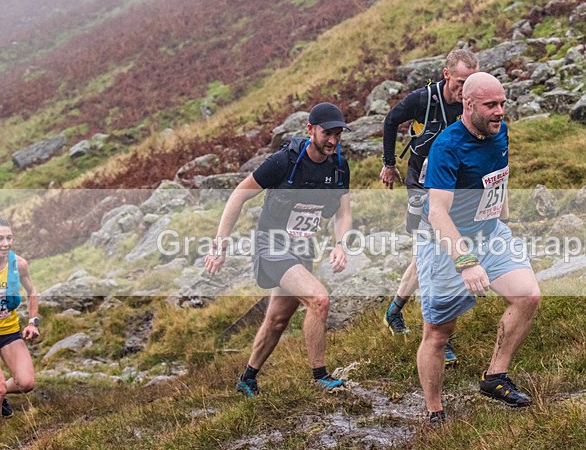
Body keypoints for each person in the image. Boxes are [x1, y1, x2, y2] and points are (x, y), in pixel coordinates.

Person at [414, 72, 541, 425]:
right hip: (445, 242)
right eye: (490, 105)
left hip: (490, 233)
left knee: (528, 296)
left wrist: (505, 216)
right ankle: (435, 411)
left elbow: (498, 176)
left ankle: (494, 377)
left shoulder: (499, 130)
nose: (499, 111)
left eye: (502, 103)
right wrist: (466, 261)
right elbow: (437, 211)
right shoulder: (447, 146)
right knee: (439, 333)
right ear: (468, 105)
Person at [205, 102, 352, 397]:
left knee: (277, 320)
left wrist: (340, 244)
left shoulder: (338, 166)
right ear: (310, 130)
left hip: (301, 249)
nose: (333, 141)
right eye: (327, 133)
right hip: (271, 246)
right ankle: (320, 376)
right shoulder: (283, 161)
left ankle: (247, 378)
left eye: (338, 134)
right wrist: (220, 244)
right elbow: (238, 196)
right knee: (319, 299)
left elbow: (343, 212)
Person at [379, 48, 479, 367]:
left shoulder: (472, 101)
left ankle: (395, 309)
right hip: (421, 183)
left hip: (453, 183)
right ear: (447, 74)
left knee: (429, 249)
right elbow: (391, 120)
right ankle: (440, 335)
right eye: (462, 81)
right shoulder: (425, 99)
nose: (467, 89)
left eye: (472, 81)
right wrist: (388, 163)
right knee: (438, 248)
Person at [0, 216, 40, 428]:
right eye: (0, 238)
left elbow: (32, 292)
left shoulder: (19, 264)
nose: (6, 243)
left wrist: (32, 322)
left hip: (9, 331)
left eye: (9, 238)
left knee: (26, 383)